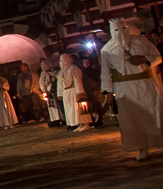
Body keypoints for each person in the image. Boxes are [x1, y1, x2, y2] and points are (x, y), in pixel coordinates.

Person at [100, 17, 163, 160]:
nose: (120, 33)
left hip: (146, 84)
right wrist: (108, 93)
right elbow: (105, 73)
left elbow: (158, 57)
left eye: (122, 28)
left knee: (154, 113)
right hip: (124, 88)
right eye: (116, 30)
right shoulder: (107, 50)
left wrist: (145, 59)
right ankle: (142, 148)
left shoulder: (142, 42)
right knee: (132, 119)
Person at [58, 53, 89, 131]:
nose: (63, 62)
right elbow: (59, 84)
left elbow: (77, 80)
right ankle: (79, 124)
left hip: (74, 91)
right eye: (61, 61)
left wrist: (80, 92)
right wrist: (60, 93)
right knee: (71, 110)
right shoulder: (61, 72)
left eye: (64, 60)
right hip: (66, 93)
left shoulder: (73, 68)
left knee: (80, 107)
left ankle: (86, 124)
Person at [0, 63, 19, 129]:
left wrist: (2, 84)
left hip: (4, 94)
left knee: (7, 107)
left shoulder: (3, 79)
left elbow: (7, 87)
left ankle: (10, 122)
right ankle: (3, 123)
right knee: (0, 109)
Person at [39, 58, 64, 125]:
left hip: (54, 91)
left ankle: (60, 118)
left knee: (57, 106)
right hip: (48, 92)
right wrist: (44, 90)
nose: (43, 67)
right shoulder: (43, 74)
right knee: (51, 107)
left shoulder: (54, 72)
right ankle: (54, 119)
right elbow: (42, 83)